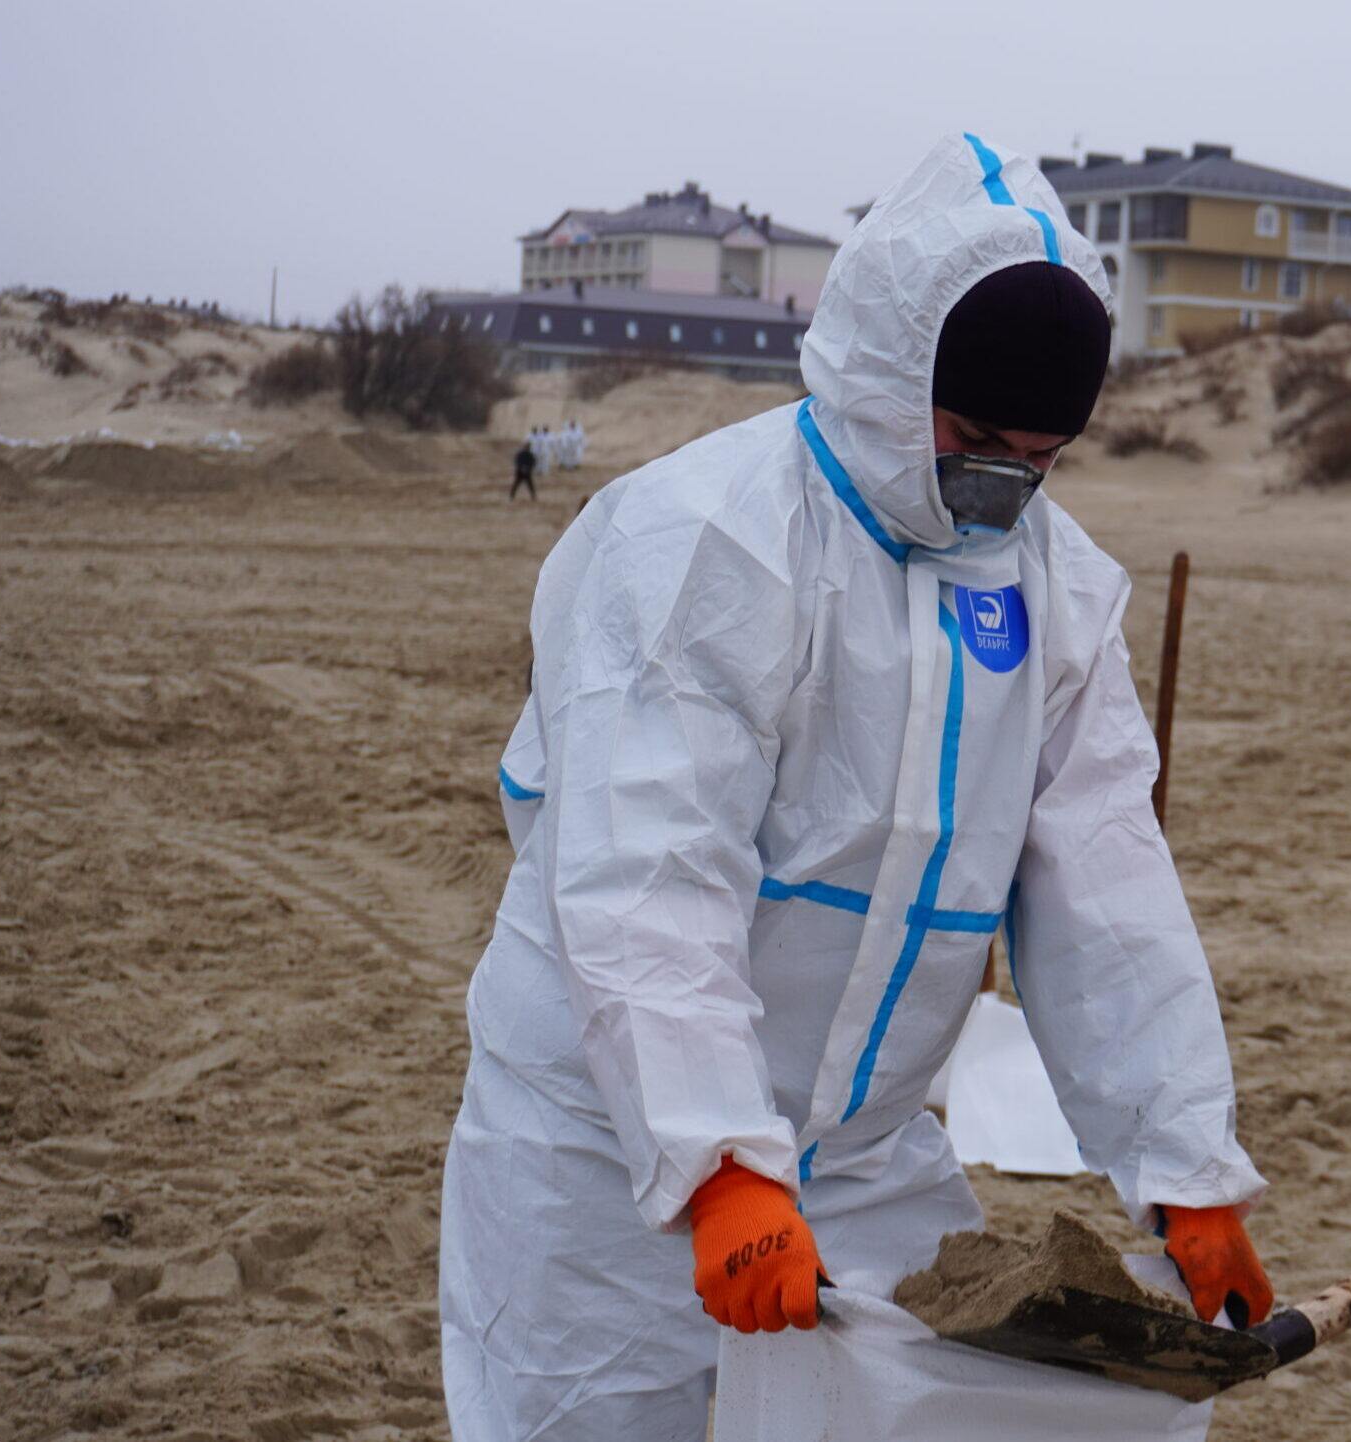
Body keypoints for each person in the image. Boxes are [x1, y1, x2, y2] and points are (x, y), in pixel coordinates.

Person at [440, 133, 1273, 1441]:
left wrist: (1182, 1167)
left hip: (868, 1164)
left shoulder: (1054, 589)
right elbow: (651, 874)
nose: (1004, 482)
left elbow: (1105, 888)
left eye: (1040, 458)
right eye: (977, 440)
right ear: (892, 377)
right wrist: (716, 1161)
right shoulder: (703, 542)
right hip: (606, 1152)